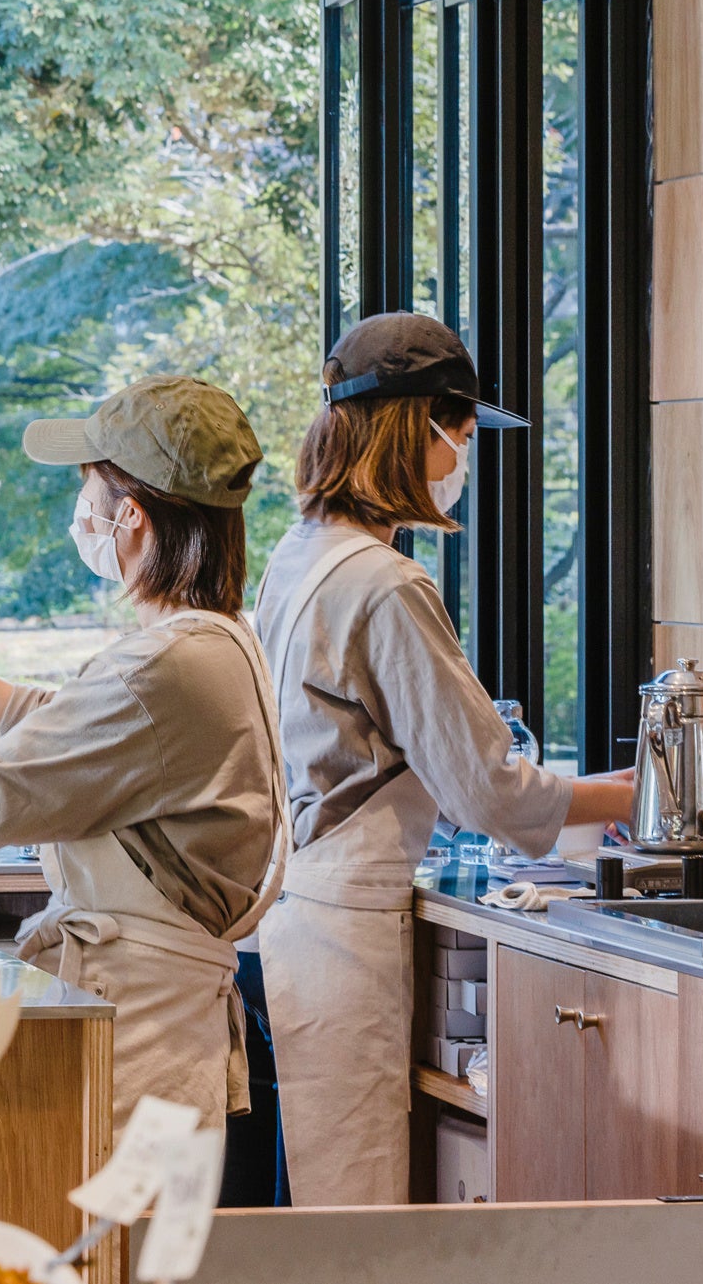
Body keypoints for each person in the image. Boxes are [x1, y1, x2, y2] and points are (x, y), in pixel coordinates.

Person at [0, 374, 289, 1129]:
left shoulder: (164, 667)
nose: (79, 512)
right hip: (160, 1021)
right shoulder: (213, 641)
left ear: (131, 516)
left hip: (139, 1033)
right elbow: (45, 724)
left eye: (88, 492)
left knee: (107, 1213)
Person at [253, 312, 636, 1205]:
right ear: (412, 430)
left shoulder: (298, 555)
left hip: (294, 910)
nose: (464, 458)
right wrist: (632, 794)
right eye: (460, 434)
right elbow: (486, 790)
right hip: (345, 931)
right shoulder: (387, 584)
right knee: (353, 1223)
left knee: (310, 1212)